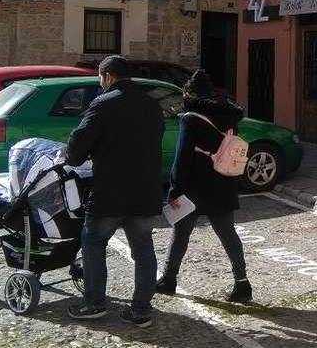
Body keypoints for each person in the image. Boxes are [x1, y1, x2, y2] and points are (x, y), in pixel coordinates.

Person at [65, 55, 165, 328]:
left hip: (110, 190)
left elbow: (79, 141)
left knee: (93, 243)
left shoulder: (103, 103)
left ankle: (94, 303)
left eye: (100, 77)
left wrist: (73, 156)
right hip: (145, 190)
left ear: (107, 76)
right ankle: (142, 309)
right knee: (143, 248)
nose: (100, 82)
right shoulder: (151, 105)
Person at [155, 69, 252, 303]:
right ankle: (242, 283)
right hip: (223, 182)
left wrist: (174, 189)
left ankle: (169, 279)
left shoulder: (191, 119)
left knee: (181, 234)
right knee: (228, 234)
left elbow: (182, 158)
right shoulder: (229, 118)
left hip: (194, 187)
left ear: (190, 93)